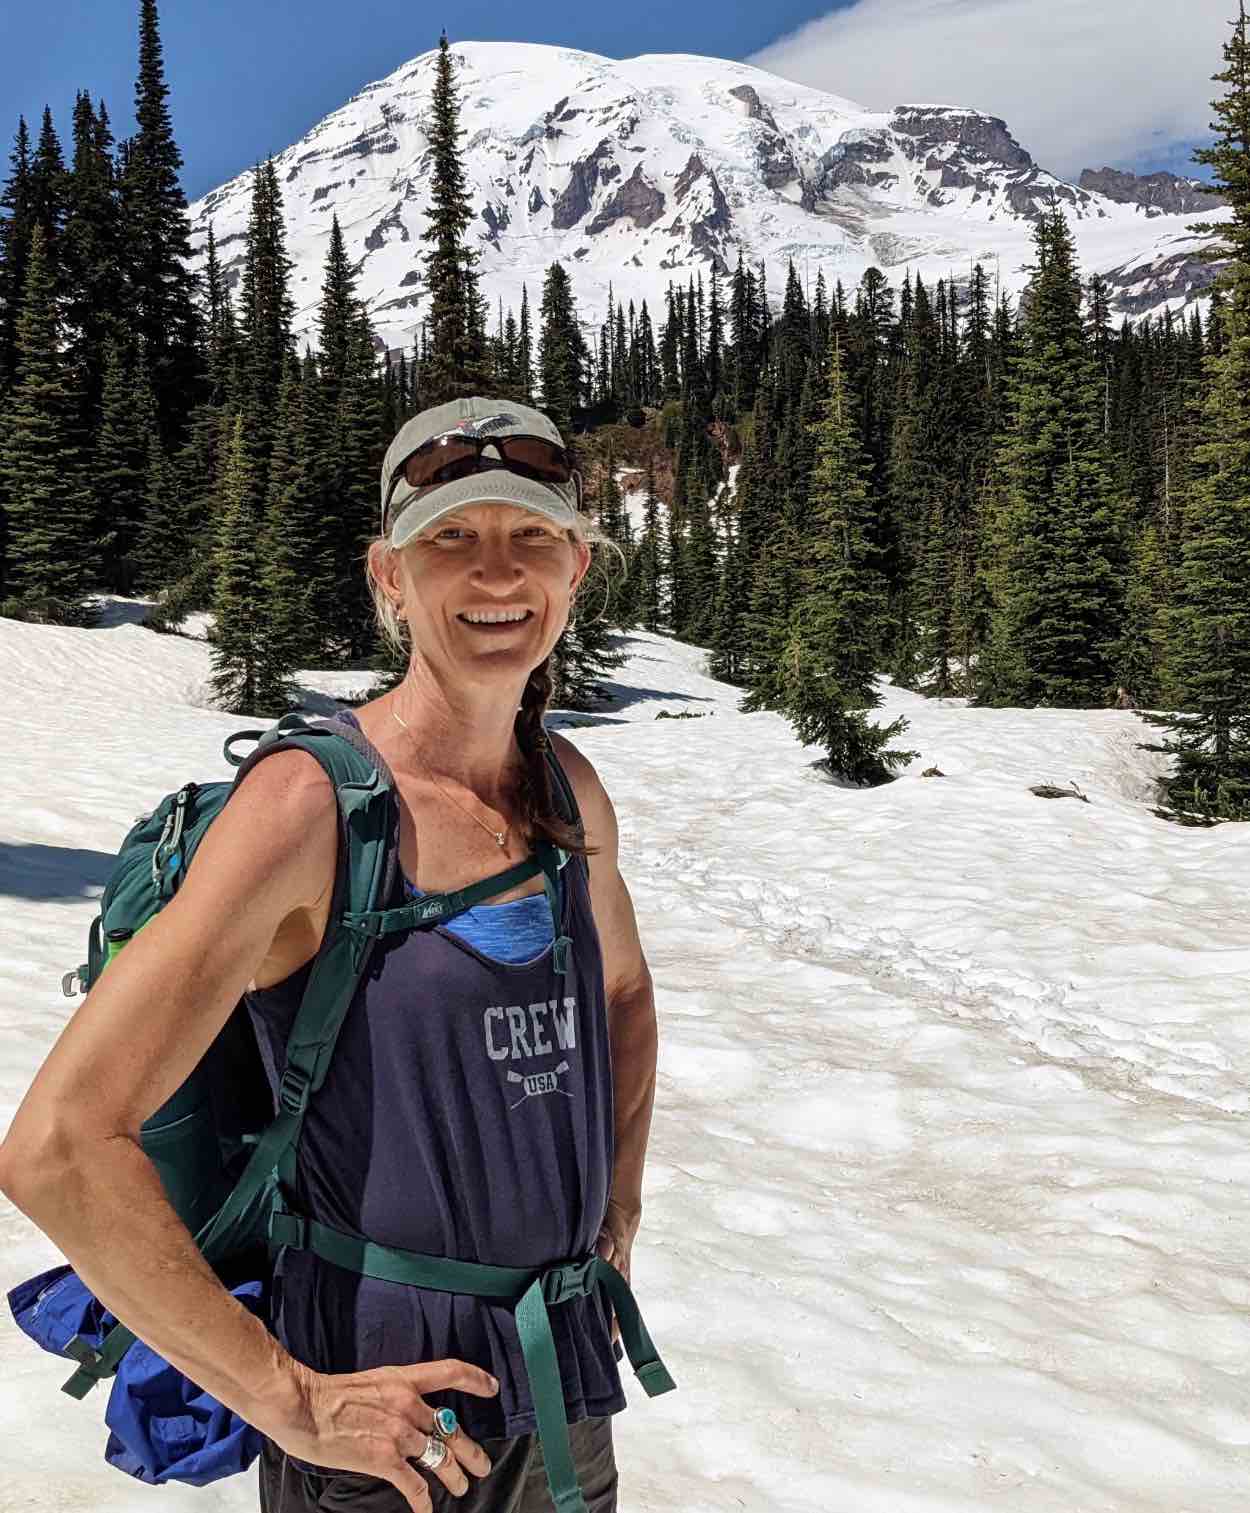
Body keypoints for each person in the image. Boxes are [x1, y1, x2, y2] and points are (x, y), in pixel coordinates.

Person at [0, 397, 660, 1512]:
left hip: (562, 1378)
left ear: (577, 567)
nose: (495, 575)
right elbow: (59, 1145)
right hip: (382, 1400)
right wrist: (296, 1402)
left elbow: (622, 995)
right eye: (449, 538)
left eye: (529, 537)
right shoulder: (315, 807)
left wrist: (616, 1214)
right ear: (388, 576)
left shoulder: (563, 787)